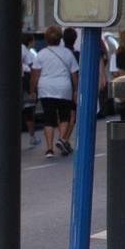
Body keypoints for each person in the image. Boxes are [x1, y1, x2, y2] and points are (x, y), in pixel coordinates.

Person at [31, 25, 79, 157]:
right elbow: (74, 74)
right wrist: (76, 90)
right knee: (65, 116)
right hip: (64, 88)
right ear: (60, 39)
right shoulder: (67, 53)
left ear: (46, 39)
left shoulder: (41, 54)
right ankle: (62, 139)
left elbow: (35, 74)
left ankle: (49, 149)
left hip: (45, 88)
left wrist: (32, 89)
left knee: (49, 118)